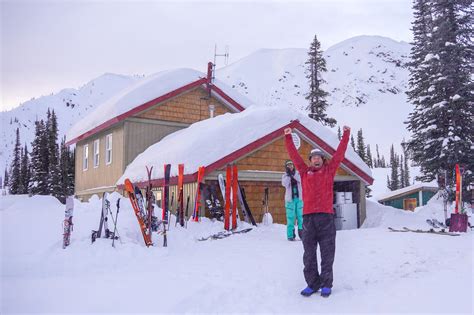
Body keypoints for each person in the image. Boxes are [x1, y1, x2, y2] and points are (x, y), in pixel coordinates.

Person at [284, 126, 350, 298]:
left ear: (323, 160)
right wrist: (288, 137)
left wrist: (346, 135)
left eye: (319, 157)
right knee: (309, 255)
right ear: (310, 160)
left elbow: (340, 154)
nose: (316, 160)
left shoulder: (329, 171)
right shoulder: (304, 172)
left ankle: (326, 284)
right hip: (308, 220)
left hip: (326, 218)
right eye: (313, 157)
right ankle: (312, 284)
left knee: (327, 253)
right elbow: (294, 156)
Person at [281, 160, 303, 241]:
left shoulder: (298, 174)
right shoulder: (284, 176)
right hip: (290, 201)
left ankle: (302, 235)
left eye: (291, 165)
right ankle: (290, 235)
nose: (290, 166)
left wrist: (293, 175)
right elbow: (285, 184)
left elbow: (301, 180)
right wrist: (289, 175)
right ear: (286, 167)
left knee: (301, 218)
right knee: (290, 218)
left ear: (293, 166)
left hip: (299, 199)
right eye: (288, 165)